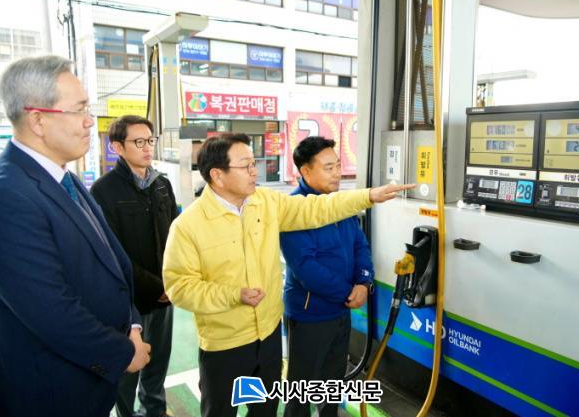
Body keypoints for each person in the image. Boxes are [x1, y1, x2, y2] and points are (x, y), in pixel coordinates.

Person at [162, 133, 413, 417]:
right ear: (217, 175)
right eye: (246, 166)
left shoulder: (265, 202)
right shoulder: (188, 226)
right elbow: (179, 287)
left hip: (268, 335)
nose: (255, 171)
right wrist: (233, 295)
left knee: (266, 410)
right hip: (226, 343)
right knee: (221, 411)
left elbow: (317, 207)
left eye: (254, 163)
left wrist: (368, 196)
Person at [0, 55, 151, 417]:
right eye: (79, 109)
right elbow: (51, 311)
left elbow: (110, 265)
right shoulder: (0, 197)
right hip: (47, 394)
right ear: (38, 119)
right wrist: (123, 352)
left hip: (85, 388)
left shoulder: (62, 176)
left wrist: (131, 323)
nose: (89, 121)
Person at [91, 115, 178, 417]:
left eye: (150, 140)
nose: (147, 147)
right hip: (129, 301)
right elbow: (113, 254)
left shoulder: (162, 185)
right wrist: (158, 287)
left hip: (166, 296)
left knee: (158, 365)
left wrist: (173, 282)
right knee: (128, 370)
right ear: (117, 147)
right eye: (138, 142)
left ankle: (154, 411)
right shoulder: (103, 191)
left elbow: (176, 238)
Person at [280, 136, 373, 417]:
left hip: (341, 312)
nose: (337, 174)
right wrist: (349, 293)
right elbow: (306, 269)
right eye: (328, 168)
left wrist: (364, 282)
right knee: (302, 387)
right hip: (310, 314)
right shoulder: (293, 209)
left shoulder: (340, 204)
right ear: (305, 171)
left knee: (332, 381)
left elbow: (360, 245)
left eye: (338, 166)